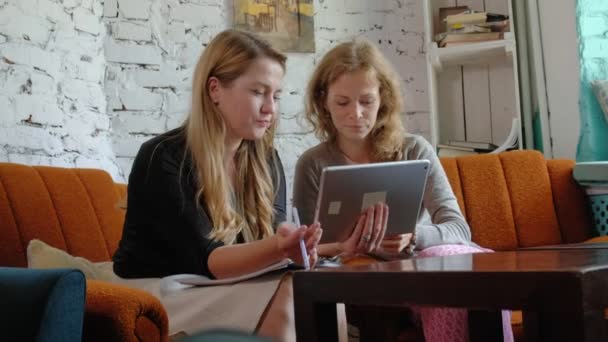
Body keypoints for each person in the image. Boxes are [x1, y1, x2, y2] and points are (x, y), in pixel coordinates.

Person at [293, 38, 513, 342]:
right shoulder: (313, 164)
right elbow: (305, 254)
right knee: (454, 278)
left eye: (366, 101)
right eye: (343, 102)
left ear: (383, 99)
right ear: (324, 101)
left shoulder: (414, 150)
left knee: (453, 266)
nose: (355, 114)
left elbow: (459, 229)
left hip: (424, 269)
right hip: (361, 281)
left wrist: (413, 237)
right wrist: (347, 248)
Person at [112, 29, 323, 342]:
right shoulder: (163, 157)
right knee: (288, 291)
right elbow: (212, 261)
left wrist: (304, 249)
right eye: (258, 92)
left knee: (318, 289)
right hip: (160, 290)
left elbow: (270, 247)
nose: (270, 109)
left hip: (222, 284)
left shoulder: (265, 159)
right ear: (215, 90)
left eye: (276, 96)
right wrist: (281, 249)